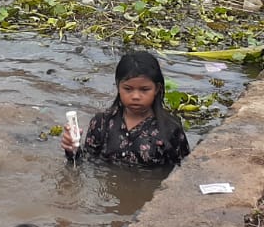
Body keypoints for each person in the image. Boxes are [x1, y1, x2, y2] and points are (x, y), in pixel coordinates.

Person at [61, 50, 191, 168]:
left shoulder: (170, 128)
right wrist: (72, 149)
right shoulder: (101, 123)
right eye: (128, 89)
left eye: (144, 90)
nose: (135, 96)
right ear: (118, 86)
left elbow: (183, 169)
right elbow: (87, 163)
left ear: (156, 89)